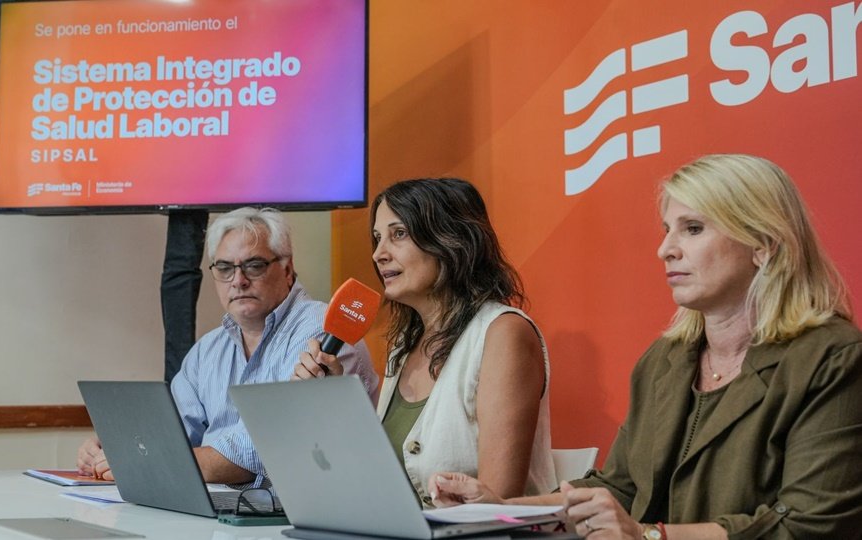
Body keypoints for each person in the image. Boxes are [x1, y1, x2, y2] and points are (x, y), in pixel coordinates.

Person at [428, 154, 862, 539]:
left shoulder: (833, 358)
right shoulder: (664, 361)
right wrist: (497, 510)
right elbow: (618, 488)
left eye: (692, 229)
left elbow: (808, 526)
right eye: (667, 230)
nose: (664, 249)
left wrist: (649, 536)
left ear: (764, 246)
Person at [294, 178, 556, 507]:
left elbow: (496, 503)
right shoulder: (404, 345)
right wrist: (333, 404)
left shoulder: (504, 333)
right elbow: (379, 481)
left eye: (398, 234)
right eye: (377, 239)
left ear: (451, 239)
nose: (378, 254)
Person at [78, 207, 379, 486]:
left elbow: (269, 445)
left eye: (254, 265)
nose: (238, 280)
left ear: (287, 270)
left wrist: (151, 460)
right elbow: (173, 433)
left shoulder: (323, 330)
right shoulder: (207, 350)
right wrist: (118, 447)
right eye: (224, 268)